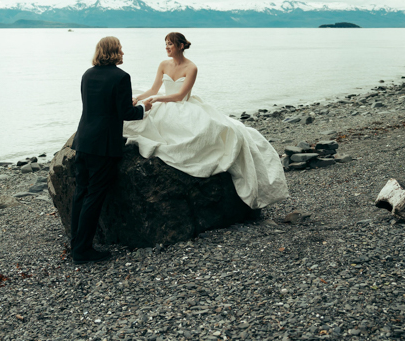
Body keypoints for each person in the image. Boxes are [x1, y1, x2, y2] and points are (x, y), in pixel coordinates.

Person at [124, 32, 289, 209]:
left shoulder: (191, 67)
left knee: (218, 130)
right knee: (141, 124)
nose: (166, 47)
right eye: (165, 44)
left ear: (180, 46)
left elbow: (180, 96)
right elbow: (154, 88)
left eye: (170, 44)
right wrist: (136, 98)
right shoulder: (163, 64)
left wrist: (157, 99)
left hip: (182, 105)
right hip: (164, 102)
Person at [70, 36, 151, 264]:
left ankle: (76, 243)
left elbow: (96, 105)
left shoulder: (88, 73)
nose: (123, 52)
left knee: (80, 193)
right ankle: (82, 251)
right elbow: (125, 113)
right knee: (93, 197)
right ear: (114, 51)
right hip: (103, 145)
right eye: (121, 48)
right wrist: (144, 108)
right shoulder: (121, 77)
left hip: (83, 140)